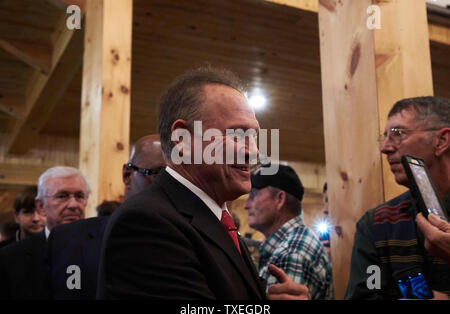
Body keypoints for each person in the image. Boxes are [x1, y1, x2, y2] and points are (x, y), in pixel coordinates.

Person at [97, 65, 309, 300]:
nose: (255, 153)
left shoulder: (213, 218)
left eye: (254, 137)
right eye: (238, 135)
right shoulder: (147, 222)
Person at [345, 96, 450, 299]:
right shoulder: (377, 223)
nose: (385, 147)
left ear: (441, 141)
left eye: (398, 134)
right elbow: (366, 295)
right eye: (384, 137)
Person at [47, 134, 165, 300]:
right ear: (127, 174)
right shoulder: (68, 239)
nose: (170, 187)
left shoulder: (195, 243)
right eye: (159, 174)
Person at [244, 164, 333, 300]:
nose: (246, 205)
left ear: (280, 199)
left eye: (254, 195)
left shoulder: (291, 253)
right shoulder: (294, 243)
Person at [0, 166, 89, 299]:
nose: (73, 205)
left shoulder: (103, 251)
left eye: (79, 196)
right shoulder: (9, 258)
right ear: (41, 206)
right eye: (62, 196)